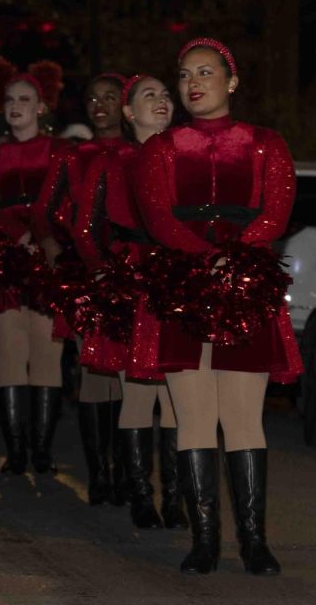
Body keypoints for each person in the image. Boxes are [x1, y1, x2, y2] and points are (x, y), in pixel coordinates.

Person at [133, 38, 301, 575]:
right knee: (195, 418)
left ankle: (254, 540)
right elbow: (157, 216)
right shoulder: (160, 147)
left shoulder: (265, 143)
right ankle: (205, 538)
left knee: (244, 418)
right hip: (183, 282)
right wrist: (203, 258)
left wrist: (235, 257)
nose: (192, 83)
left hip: (245, 282)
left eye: (204, 73)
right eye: (184, 75)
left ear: (231, 82)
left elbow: (276, 210)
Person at [74, 74, 186, 530]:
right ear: (128, 112)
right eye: (147, 96)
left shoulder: (187, 154)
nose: (160, 101)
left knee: (178, 395)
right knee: (138, 392)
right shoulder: (112, 162)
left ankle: (176, 496)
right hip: (131, 277)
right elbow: (85, 227)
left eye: (164, 93)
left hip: (178, 276)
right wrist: (105, 271)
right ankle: (141, 493)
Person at [35, 74, 129, 505]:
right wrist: (57, 251)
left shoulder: (142, 152)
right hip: (87, 273)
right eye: (92, 97)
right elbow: (45, 211)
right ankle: (100, 473)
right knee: (93, 373)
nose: (100, 104)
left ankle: (131, 472)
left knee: (132, 376)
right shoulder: (74, 155)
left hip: (135, 274)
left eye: (110, 97)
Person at [0, 73, 68, 477]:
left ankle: (41, 451)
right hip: (5, 262)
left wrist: (45, 237)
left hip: (48, 259)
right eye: (10, 99)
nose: (16, 106)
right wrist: (19, 234)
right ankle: (16, 452)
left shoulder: (61, 151)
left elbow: (68, 200)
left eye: (25, 99)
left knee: (47, 360)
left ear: (41, 107)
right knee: (9, 360)